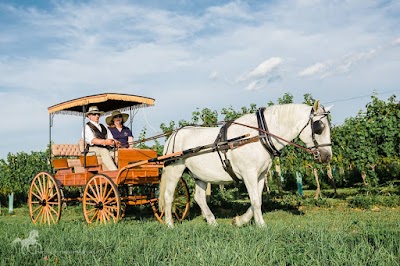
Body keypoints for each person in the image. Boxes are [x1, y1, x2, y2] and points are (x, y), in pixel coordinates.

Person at [82, 106, 120, 170]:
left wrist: (114, 142)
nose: (97, 116)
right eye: (94, 114)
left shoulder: (103, 126)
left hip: (105, 148)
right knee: (104, 151)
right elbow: (93, 140)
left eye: (98, 114)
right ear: (89, 116)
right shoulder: (87, 127)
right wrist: (105, 142)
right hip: (92, 149)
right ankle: (114, 171)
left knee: (120, 153)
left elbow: (110, 138)